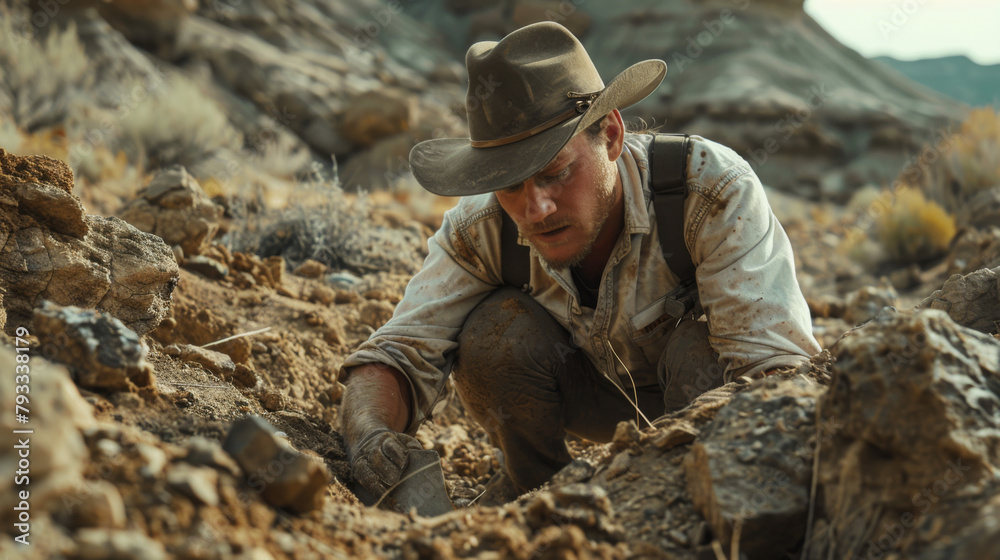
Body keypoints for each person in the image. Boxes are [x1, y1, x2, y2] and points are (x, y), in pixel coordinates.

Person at [339, 21, 820, 504]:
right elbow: (397, 353)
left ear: (610, 135)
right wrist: (371, 436)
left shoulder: (710, 190)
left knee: (696, 352)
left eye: (556, 173)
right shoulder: (478, 226)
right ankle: (534, 491)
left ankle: (679, 495)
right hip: (584, 393)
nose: (537, 209)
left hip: (705, 404)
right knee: (493, 331)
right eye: (510, 184)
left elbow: (773, 375)